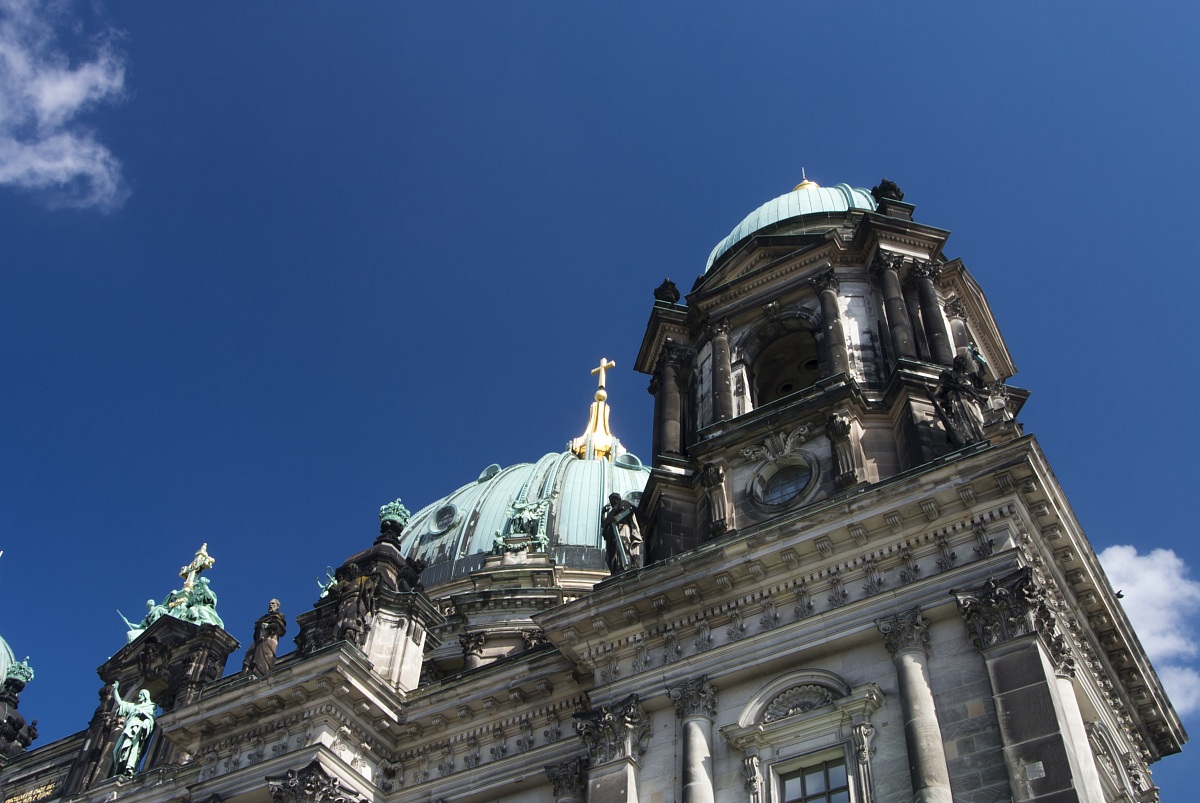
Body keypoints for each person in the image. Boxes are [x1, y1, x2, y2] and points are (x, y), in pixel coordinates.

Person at [110, 681, 155, 777]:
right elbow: (120, 703)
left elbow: (151, 719)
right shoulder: (133, 706)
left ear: (145, 696)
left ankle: (129, 768)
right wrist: (115, 690)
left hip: (137, 730)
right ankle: (120, 767)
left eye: (141, 695)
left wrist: (142, 715)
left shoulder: (150, 707)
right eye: (139, 695)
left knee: (133, 749)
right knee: (117, 750)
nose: (139, 697)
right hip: (127, 729)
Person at [242, 599, 287, 675]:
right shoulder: (264, 617)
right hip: (259, 640)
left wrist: (268, 626)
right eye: (270, 603)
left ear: (277, 606)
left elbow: (279, 628)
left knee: (263, 656)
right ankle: (246, 671)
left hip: (268, 640)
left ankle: (259, 670)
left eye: (273, 604)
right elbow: (257, 628)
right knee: (249, 653)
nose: (271, 605)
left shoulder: (278, 617)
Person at [601, 492, 641, 572]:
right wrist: (603, 513)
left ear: (616, 499)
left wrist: (617, 518)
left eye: (612, 501)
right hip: (613, 534)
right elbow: (604, 526)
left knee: (623, 544)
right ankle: (618, 566)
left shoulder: (623, 503)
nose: (611, 503)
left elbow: (627, 512)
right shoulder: (611, 512)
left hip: (622, 528)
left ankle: (626, 564)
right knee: (613, 552)